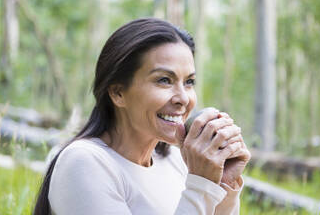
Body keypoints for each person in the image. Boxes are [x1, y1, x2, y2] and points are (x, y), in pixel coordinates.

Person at [33, 18, 251, 215]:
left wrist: (221, 184)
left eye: (189, 82)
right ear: (118, 92)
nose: (183, 98)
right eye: (164, 80)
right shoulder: (84, 162)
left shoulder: (176, 161)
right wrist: (200, 184)